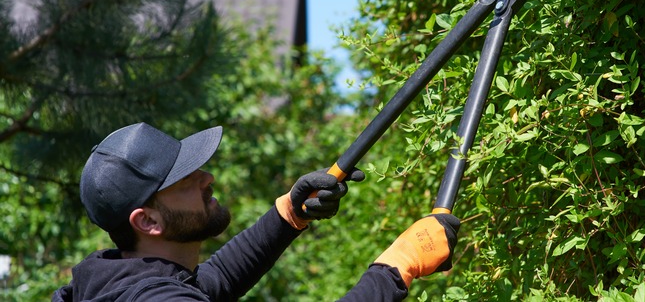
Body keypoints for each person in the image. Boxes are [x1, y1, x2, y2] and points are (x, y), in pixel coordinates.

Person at [52, 122, 460, 301]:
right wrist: (395, 270)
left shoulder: (122, 280)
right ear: (148, 221)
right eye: (185, 181)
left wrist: (290, 213)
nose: (207, 177)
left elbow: (215, 282)